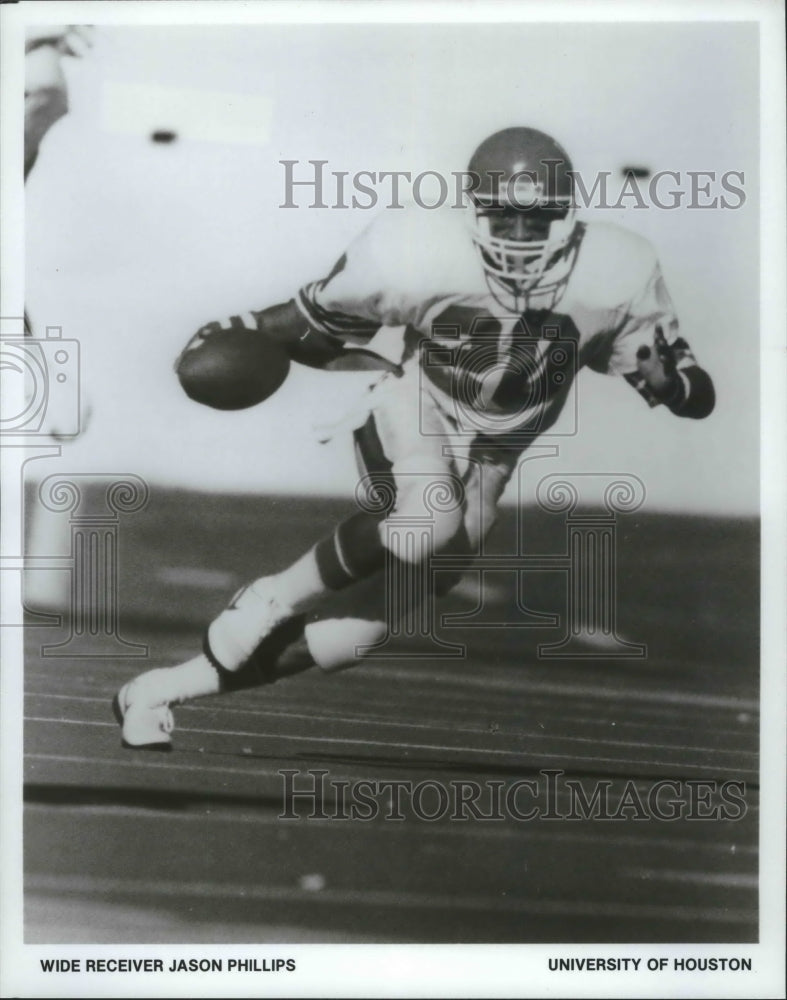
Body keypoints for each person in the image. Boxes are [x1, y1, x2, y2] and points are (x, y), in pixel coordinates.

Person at [113, 126, 715, 750]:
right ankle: (270, 597)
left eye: (537, 220)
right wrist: (234, 335)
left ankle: (157, 690)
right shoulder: (418, 252)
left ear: (568, 216)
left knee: (356, 637)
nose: (519, 238)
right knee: (426, 523)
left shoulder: (617, 271)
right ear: (474, 211)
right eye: (503, 218)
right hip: (417, 409)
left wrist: (672, 387)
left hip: (493, 459)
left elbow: (698, 394)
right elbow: (303, 320)